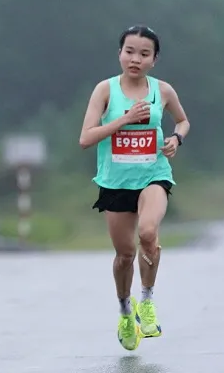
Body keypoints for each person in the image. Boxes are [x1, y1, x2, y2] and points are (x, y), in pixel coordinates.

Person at [78, 25, 190, 352]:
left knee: (149, 233)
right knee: (124, 255)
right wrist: (124, 120)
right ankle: (126, 310)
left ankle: (148, 301)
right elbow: (86, 138)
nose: (135, 59)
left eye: (144, 54)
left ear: (154, 60)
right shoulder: (105, 91)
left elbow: (182, 121)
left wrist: (175, 138)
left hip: (153, 174)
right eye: (129, 51)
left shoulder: (163, 91)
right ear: (120, 53)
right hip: (115, 183)